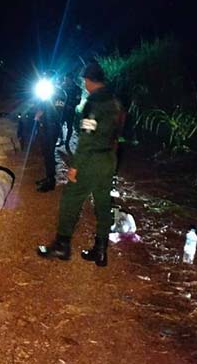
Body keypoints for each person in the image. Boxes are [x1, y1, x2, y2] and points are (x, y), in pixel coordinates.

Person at [37, 61, 125, 267]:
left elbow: (86, 137)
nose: (85, 85)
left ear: (88, 80)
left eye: (85, 81)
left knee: (70, 199)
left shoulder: (93, 103)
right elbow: (119, 131)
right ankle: (100, 251)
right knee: (103, 203)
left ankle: (62, 245)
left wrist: (75, 166)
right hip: (109, 159)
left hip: (92, 159)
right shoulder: (115, 101)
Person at [34, 72, 67, 193]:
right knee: (46, 153)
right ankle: (48, 177)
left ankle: (51, 181)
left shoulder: (59, 93)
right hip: (46, 126)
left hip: (51, 127)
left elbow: (52, 111)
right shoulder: (50, 93)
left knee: (49, 154)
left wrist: (40, 114)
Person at [57, 73, 82, 149]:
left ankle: (67, 142)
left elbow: (78, 101)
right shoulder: (62, 86)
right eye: (65, 79)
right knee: (59, 125)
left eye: (67, 80)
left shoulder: (77, 89)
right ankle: (61, 140)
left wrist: (70, 105)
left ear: (72, 79)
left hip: (71, 111)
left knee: (69, 127)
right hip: (62, 110)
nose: (65, 81)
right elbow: (58, 97)